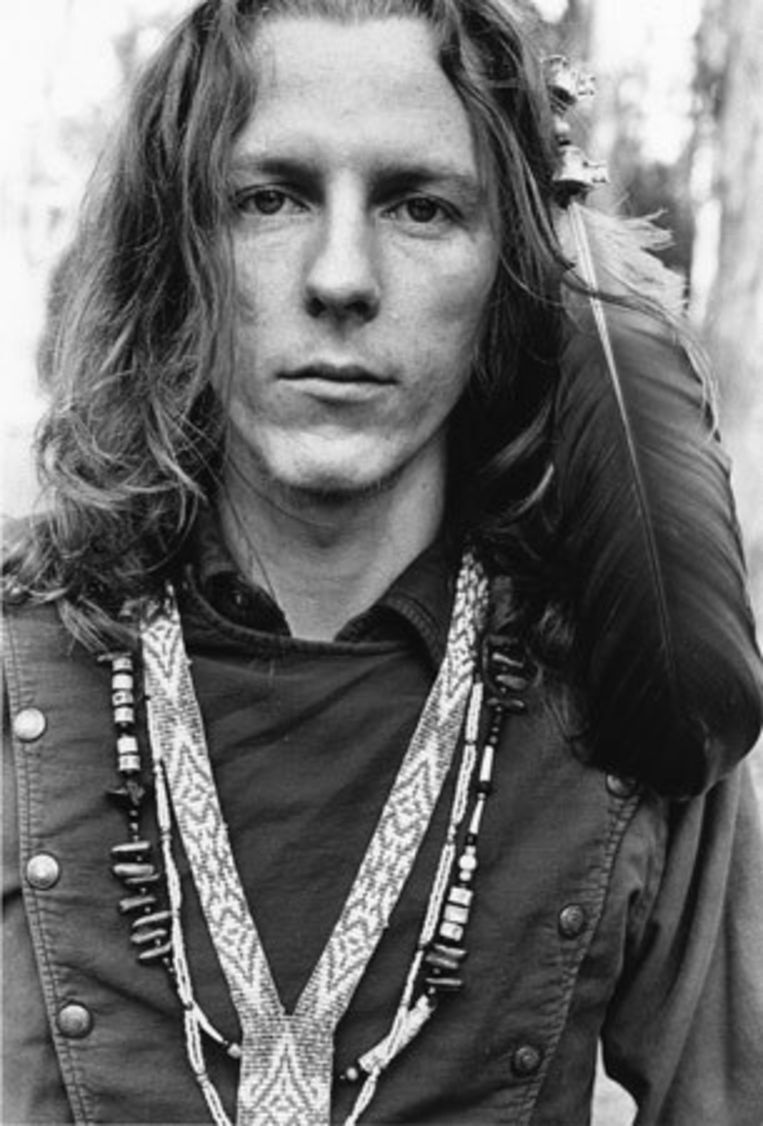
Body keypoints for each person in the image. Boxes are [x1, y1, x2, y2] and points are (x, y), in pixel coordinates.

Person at [3, 1, 763, 1123]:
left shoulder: (626, 675)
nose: (341, 277)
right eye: (270, 197)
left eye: (421, 206)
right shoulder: (20, 653)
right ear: (178, 245)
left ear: (511, 267)